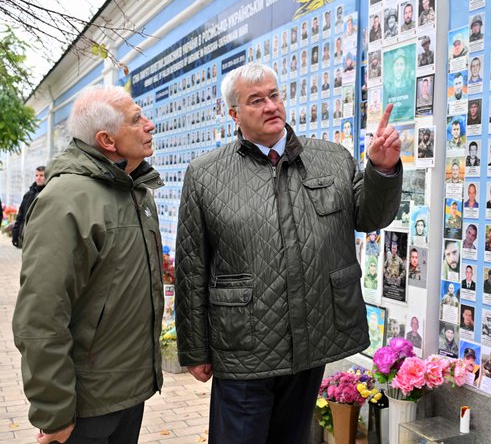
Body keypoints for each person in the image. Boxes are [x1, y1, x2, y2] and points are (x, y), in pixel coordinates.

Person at [175, 64, 402, 444]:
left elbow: (369, 217)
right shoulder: (206, 175)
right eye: (256, 100)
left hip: (313, 335)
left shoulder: (331, 158)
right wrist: (195, 348)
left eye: (274, 95)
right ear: (234, 114)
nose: (270, 106)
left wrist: (381, 168)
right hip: (244, 346)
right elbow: (192, 267)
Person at [13, 86, 165, 444]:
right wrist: (54, 412)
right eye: (137, 119)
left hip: (128, 391)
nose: (150, 125)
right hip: (85, 407)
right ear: (107, 140)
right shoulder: (67, 200)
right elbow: (41, 314)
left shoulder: (136, 191)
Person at [11, 165, 46, 248]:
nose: (38, 178)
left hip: (42, 236)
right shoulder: (28, 195)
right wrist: (15, 233)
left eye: (41, 175)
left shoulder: (50, 194)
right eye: (36, 175)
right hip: (27, 234)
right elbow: (20, 215)